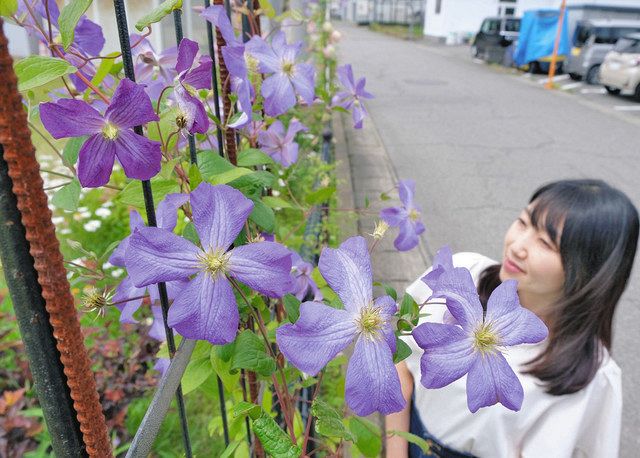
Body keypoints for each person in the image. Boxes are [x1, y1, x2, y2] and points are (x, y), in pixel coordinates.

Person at [385, 179, 639, 458]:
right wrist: (396, 451)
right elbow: (400, 359)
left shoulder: (592, 377)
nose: (518, 245)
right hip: (408, 438)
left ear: (589, 271)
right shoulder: (462, 273)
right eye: (523, 222)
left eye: (546, 242)